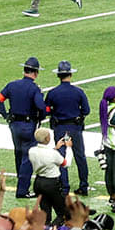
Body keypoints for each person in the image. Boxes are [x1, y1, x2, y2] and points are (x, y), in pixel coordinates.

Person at [0, 55, 45, 198]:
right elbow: (40, 106)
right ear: (35, 73)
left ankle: (20, 181)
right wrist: (42, 117)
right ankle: (22, 189)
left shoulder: (12, 85)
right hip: (28, 125)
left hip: (14, 124)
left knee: (18, 152)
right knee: (27, 157)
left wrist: (5, 115)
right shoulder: (34, 89)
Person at [44, 60, 91, 194]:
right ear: (70, 75)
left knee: (60, 157)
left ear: (58, 76)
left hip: (60, 127)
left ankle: (64, 187)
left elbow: (46, 110)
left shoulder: (52, 93)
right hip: (75, 128)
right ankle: (84, 185)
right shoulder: (79, 92)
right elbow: (86, 110)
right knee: (80, 156)